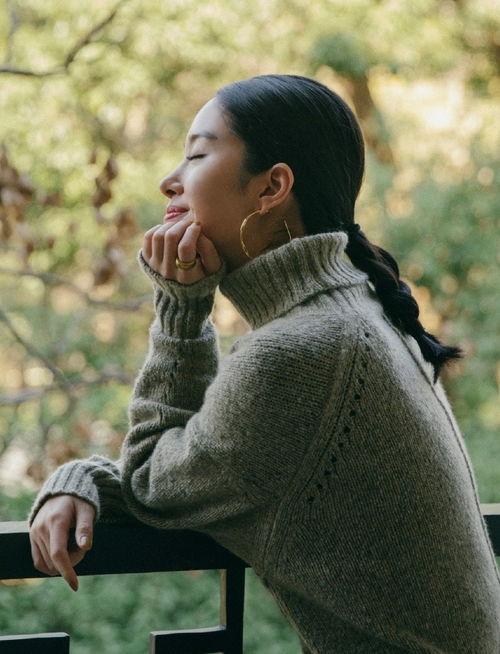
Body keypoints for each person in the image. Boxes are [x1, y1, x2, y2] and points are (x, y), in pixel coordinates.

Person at [28, 74, 500, 653]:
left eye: (197, 155)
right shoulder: (357, 317)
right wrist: (85, 481)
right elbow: (201, 474)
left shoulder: (302, 354)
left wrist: (181, 309)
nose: (168, 181)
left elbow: (153, 483)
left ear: (272, 187)